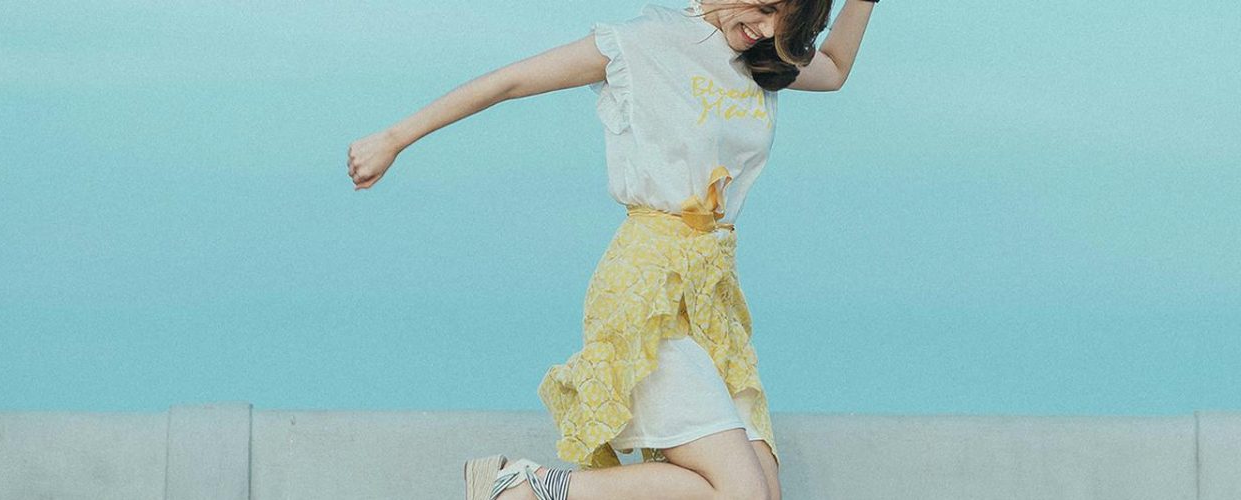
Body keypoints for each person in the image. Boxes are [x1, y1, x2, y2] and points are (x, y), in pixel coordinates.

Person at [346, 0, 877, 498]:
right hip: (647, 288)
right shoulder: (648, 41)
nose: (766, 29)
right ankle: (532, 486)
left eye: (783, 20)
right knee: (742, 493)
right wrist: (394, 138)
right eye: (765, 8)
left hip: (713, 300)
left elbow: (832, 69)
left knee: (762, 492)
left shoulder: (760, 62)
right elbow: (511, 81)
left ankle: (529, 488)